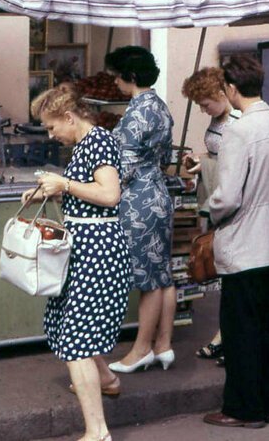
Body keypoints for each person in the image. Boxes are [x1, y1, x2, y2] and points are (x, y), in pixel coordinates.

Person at [22, 83, 131, 441]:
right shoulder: (89, 143)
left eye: (53, 127)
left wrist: (64, 185)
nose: (52, 135)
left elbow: (109, 194)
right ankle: (107, 380)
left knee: (76, 340)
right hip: (87, 248)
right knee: (70, 326)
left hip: (96, 250)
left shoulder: (98, 142)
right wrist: (47, 190)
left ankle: (97, 432)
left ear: (69, 117)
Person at [203, 54, 269, 429]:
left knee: (240, 329)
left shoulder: (238, 131)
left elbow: (227, 196)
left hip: (244, 245)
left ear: (231, 89)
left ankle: (243, 408)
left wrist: (210, 211)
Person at [104, 46, 176, 374]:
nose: (115, 82)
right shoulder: (160, 107)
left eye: (117, 76)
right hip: (159, 195)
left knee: (147, 280)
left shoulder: (137, 112)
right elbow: (164, 158)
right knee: (161, 275)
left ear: (131, 77)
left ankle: (141, 349)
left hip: (138, 202)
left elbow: (125, 166)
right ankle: (163, 345)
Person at [180, 67, 241, 366]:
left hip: (229, 203)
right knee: (223, 274)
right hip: (216, 197)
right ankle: (226, 335)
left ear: (221, 93)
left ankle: (227, 338)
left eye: (205, 104)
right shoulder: (220, 119)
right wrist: (200, 162)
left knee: (231, 274)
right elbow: (217, 156)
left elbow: (235, 164)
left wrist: (207, 165)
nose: (204, 110)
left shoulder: (240, 121)